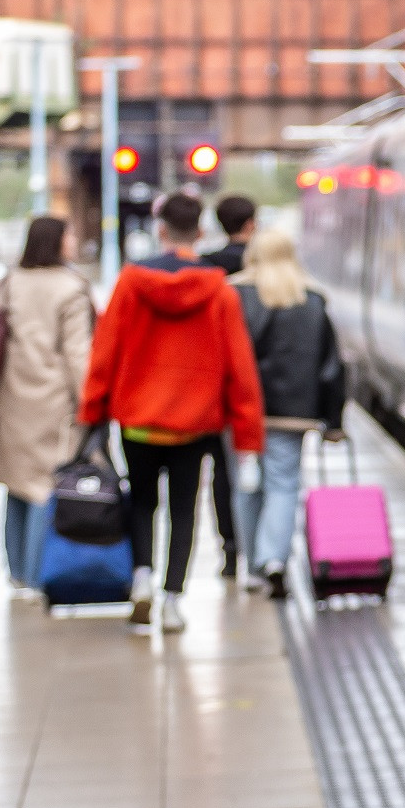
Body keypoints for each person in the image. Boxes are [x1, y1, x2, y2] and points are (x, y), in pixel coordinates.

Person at [80, 192, 264, 633]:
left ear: (160, 232)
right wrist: (248, 442)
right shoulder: (218, 291)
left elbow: (104, 352)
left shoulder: (129, 283)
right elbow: (240, 369)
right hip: (193, 424)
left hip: (138, 422)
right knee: (184, 509)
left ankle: (141, 578)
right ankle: (173, 600)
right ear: (201, 233)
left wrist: (93, 413)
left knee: (142, 502)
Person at [230, 228, 346, 598]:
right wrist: (334, 420)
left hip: (242, 411)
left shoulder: (235, 295)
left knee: (246, 487)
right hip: (292, 413)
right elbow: (331, 366)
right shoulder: (310, 299)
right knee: (282, 485)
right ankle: (274, 560)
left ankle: (251, 567)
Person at [0, 217, 93, 595]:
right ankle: (34, 575)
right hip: (53, 401)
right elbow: (78, 354)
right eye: (71, 234)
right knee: (43, 487)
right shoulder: (71, 289)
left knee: (16, 485)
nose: (75, 239)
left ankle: (15, 573)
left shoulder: (9, 283)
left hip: (11, 398)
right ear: (57, 242)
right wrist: (90, 404)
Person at [199, 194, 259, 578]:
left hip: (214, 385)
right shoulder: (264, 269)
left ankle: (230, 548)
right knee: (264, 469)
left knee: (221, 470)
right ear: (251, 224)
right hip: (258, 385)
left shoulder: (207, 268)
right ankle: (261, 548)